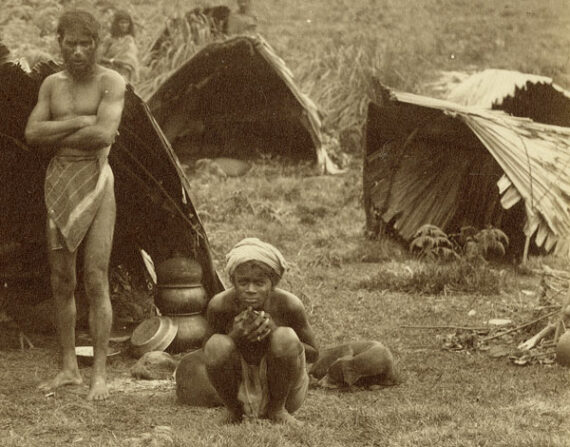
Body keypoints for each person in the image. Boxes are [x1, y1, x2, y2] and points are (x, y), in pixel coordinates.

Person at [24, 9, 126, 401]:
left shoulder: (111, 82)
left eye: (87, 44)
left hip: (97, 180)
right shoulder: (51, 85)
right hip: (59, 182)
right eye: (71, 44)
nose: (79, 52)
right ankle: (70, 369)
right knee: (61, 281)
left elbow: (104, 135)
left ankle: (99, 374)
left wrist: (72, 129)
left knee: (95, 278)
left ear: (98, 44)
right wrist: (78, 122)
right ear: (60, 44)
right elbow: (33, 132)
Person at [203, 238, 318, 424]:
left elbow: (314, 354)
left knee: (285, 337)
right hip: (239, 387)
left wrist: (274, 331)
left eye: (259, 283)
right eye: (243, 282)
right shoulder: (220, 305)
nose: (250, 290)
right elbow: (206, 352)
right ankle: (233, 411)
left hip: (285, 391)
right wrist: (234, 337)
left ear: (272, 283)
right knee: (217, 343)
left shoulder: (288, 305)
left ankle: (277, 411)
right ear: (232, 281)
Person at [99, 10, 139, 84]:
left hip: (125, 75)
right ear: (116, 24)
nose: (124, 25)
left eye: (126, 23)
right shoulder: (109, 39)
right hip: (110, 74)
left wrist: (126, 63)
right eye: (122, 22)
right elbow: (98, 57)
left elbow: (132, 60)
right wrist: (113, 61)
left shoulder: (130, 40)